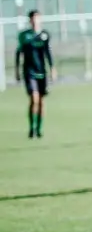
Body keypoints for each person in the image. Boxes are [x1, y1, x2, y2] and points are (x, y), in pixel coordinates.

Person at [15, 10, 56, 139]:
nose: (35, 21)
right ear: (30, 20)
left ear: (40, 20)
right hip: (29, 72)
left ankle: (38, 129)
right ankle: (31, 128)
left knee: (41, 102)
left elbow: (48, 53)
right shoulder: (24, 36)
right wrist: (17, 70)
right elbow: (19, 53)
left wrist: (52, 68)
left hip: (42, 72)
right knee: (34, 98)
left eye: (37, 18)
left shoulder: (44, 35)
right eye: (33, 18)